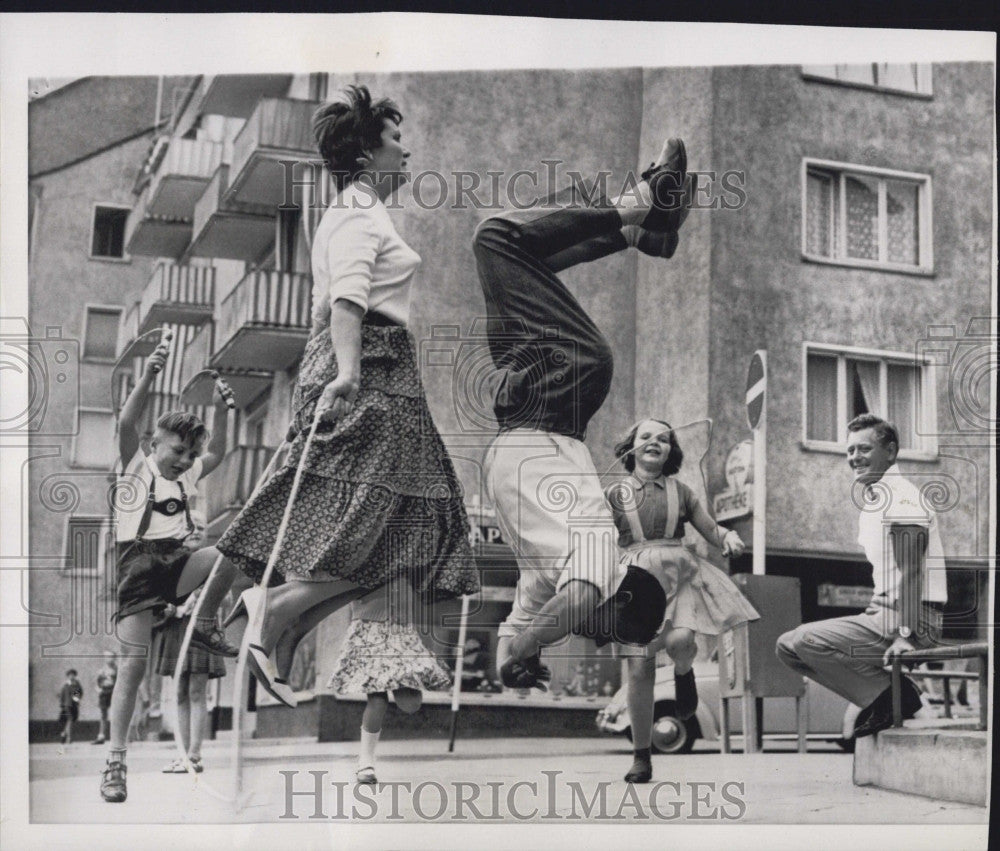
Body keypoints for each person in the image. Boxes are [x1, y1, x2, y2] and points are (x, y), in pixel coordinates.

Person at [216, 85, 479, 706]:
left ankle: (280, 619)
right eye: (393, 140)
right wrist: (348, 372)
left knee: (408, 528)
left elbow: (335, 303)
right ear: (364, 156)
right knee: (398, 521)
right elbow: (347, 302)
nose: (405, 149)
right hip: (372, 369)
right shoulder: (358, 212)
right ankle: (276, 607)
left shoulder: (356, 210)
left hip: (385, 371)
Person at [473, 136, 694, 692]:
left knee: (518, 254)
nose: (596, 637)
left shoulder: (549, 577)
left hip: (531, 403)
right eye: (605, 628)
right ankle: (639, 205)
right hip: (561, 387)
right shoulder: (600, 562)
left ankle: (641, 231)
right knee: (495, 240)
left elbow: (512, 636)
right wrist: (530, 648)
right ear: (616, 597)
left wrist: (512, 659)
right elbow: (574, 604)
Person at [100, 345, 239, 803]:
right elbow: (125, 423)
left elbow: (220, 448)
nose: (184, 460)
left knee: (232, 551)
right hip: (137, 567)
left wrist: (221, 408)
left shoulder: (188, 475)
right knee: (133, 666)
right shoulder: (134, 465)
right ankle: (116, 763)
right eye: (178, 450)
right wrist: (150, 374)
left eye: (189, 454)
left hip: (176, 560)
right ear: (154, 443)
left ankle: (202, 623)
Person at [606, 417, 759, 782]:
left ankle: (683, 670)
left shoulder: (683, 492)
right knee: (640, 669)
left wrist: (727, 538)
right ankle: (642, 755)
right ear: (631, 446)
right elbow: (596, 534)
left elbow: (710, 528)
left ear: (672, 451)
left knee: (681, 640)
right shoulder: (614, 494)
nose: (654, 442)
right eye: (645, 436)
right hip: (634, 582)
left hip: (680, 573)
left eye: (664, 438)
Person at [776, 414, 947, 738]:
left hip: (913, 617)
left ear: (891, 451)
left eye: (864, 448)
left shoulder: (902, 497)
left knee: (803, 640)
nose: (854, 457)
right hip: (885, 611)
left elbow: (911, 571)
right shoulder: (878, 498)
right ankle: (889, 695)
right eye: (850, 450)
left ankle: (894, 696)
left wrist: (906, 636)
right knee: (787, 647)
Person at [329, 577, 451, 784]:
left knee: (411, 704)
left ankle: (365, 761)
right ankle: (365, 762)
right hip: (370, 629)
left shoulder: (407, 555)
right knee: (377, 700)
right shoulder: (363, 556)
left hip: (401, 631)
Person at [154, 586, 227, 774]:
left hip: (201, 625)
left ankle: (194, 755)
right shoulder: (172, 559)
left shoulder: (212, 560)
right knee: (179, 692)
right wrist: (165, 606)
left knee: (196, 691)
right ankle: (182, 754)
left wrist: (201, 594)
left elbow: (226, 596)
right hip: (175, 626)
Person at [92, 652, 117, 744]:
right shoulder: (101, 670)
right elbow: (96, 682)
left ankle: (116, 736)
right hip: (104, 692)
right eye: (107, 657)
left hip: (114, 692)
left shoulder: (118, 670)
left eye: (111, 657)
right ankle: (101, 736)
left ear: (114, 658)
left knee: (115, 713)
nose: (109, 659)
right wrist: (98, 690)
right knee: (103, 714)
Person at [57, 669, 83, 745]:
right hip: (67, 705)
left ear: (75, 676)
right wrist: (62, 704)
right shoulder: (65, 685)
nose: (72, 676)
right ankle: (69, 738)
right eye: (70, 675)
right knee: (70, 719)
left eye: (73, 675)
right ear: (68, 676)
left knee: (71, 720)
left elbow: (79, 694)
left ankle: (63, 734)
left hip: (74, 705)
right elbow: (62, 695)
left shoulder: (76, 685)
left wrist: (77, 699)